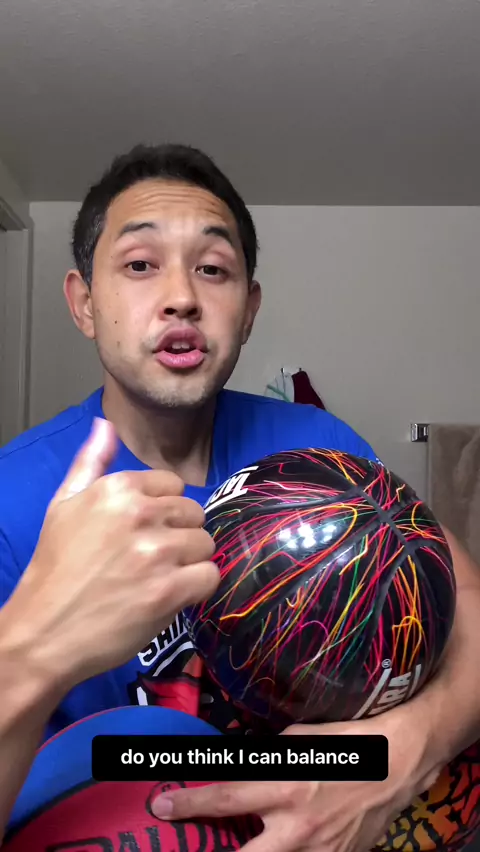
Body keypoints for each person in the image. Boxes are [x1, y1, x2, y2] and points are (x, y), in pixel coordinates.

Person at [0, 144, 478, 852]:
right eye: (140, 264)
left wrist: (400, 753)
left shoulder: (320, 444)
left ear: (248, 310)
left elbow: (468, 610)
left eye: (213, 269)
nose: (181, 296)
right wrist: (30, 650)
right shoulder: (12, 499)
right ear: (84, 303)